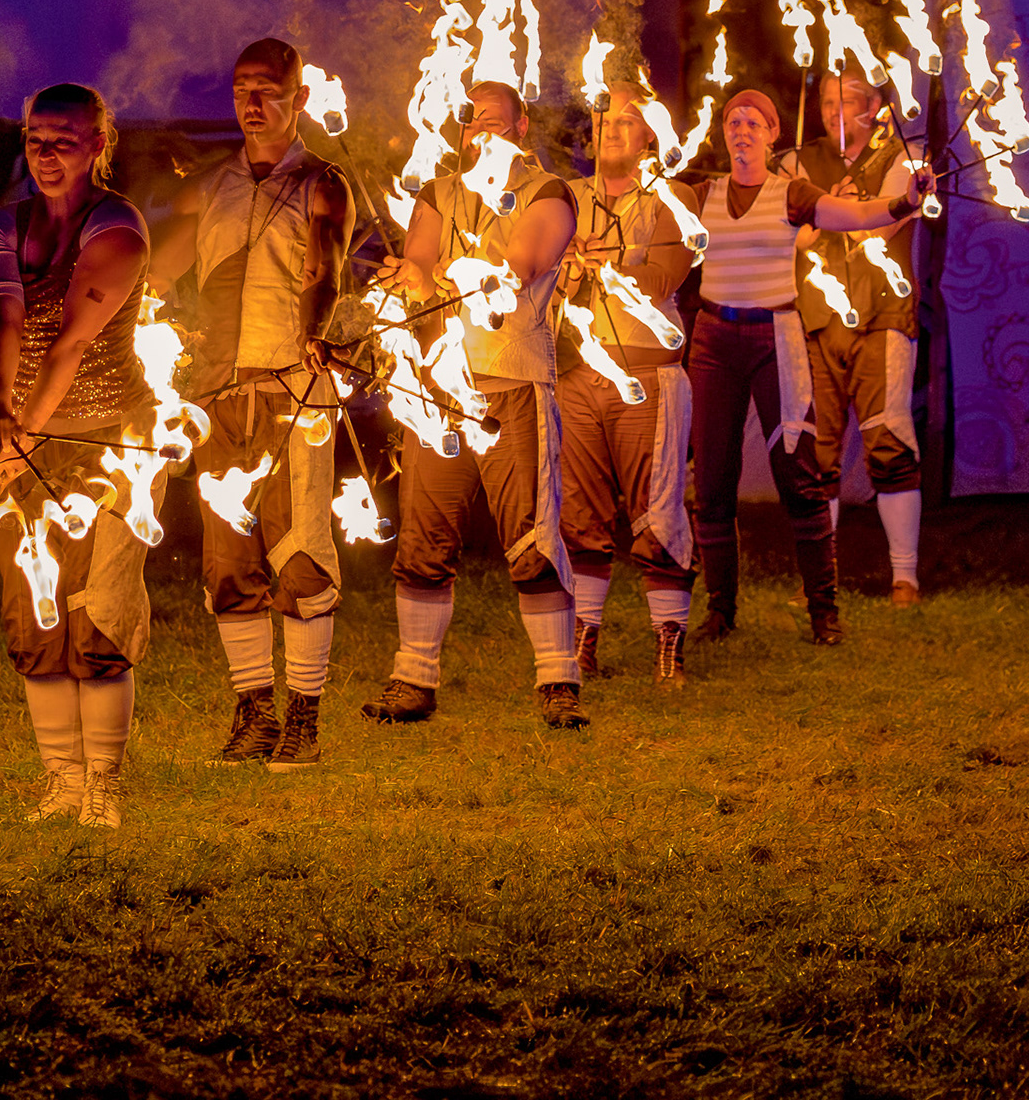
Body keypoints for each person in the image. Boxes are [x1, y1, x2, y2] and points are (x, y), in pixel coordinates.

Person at [361, 80, 587, 728]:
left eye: (493, 120)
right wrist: (410, 276)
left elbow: (513, 274)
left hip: (512, 381)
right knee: (424, 533)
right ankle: (414, 679)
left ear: (521, 128)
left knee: (531, 535)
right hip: (438, 388)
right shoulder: (438, 192)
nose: (478, 131)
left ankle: (557, 682)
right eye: (469, 122)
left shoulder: (547, 194)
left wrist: (431, 276)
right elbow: (420, 263)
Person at [154, 38, 353, 770]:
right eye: (242, 88)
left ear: (299, 99)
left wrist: (313, 333)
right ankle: (255, 714)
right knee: (227, 561)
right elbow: (159, 266)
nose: (253, 101)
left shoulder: (321, 182)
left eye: (269, 89)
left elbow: (324, 267)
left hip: (291, 391)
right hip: (218, 394)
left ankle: (304, 718)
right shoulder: (213, 186)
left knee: (301, 553)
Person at [0, 82, 157, 829]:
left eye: (63, 140)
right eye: (34, 139)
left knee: (101, 615)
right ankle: (61, 779)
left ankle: (104, 784)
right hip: (21, 434)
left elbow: (76, 341)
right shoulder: (0, 225)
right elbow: (6, 323)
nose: (46, 155)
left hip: (114, 440)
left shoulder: (118, 226)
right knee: (34, 613)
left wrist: (27, 429)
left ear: (97, 144)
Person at [688, 88, 934, 646]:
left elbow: (854, 215)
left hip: (774, 337)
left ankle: (824, 612)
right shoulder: (701, 194)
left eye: (755, 121)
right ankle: (720, 611)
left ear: (773, 135)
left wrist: (902, 202)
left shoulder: (792, 193)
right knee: (712, 483)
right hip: (713, 341)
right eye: (733, 120)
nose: (742, 128)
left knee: (799, 476)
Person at [556, 82, 699, 685]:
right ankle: (584, 641)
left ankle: (668, 642)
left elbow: (664, 276)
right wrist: (562, 266)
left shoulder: (674, 195)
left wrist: (601, 265)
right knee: (578, 512)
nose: (611, 129)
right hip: (577, 374)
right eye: (603, 118)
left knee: (657, 508)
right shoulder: (562, 196)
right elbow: (535, 270)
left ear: (650, 135)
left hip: (646, 375)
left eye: (628, 120)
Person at [792, 68, 927, 608]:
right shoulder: (799, 164)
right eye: (827, 102)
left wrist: (837, 209)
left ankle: (905, 578)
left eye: (846, 102)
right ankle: (821, 581)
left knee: (889, 438)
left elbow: (883, 225)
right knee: (818, 452)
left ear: (873, 106)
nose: (833, 112)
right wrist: (823, 209)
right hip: (819, 321)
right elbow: (791, 237)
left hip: (881, 317)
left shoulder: (903, 160)